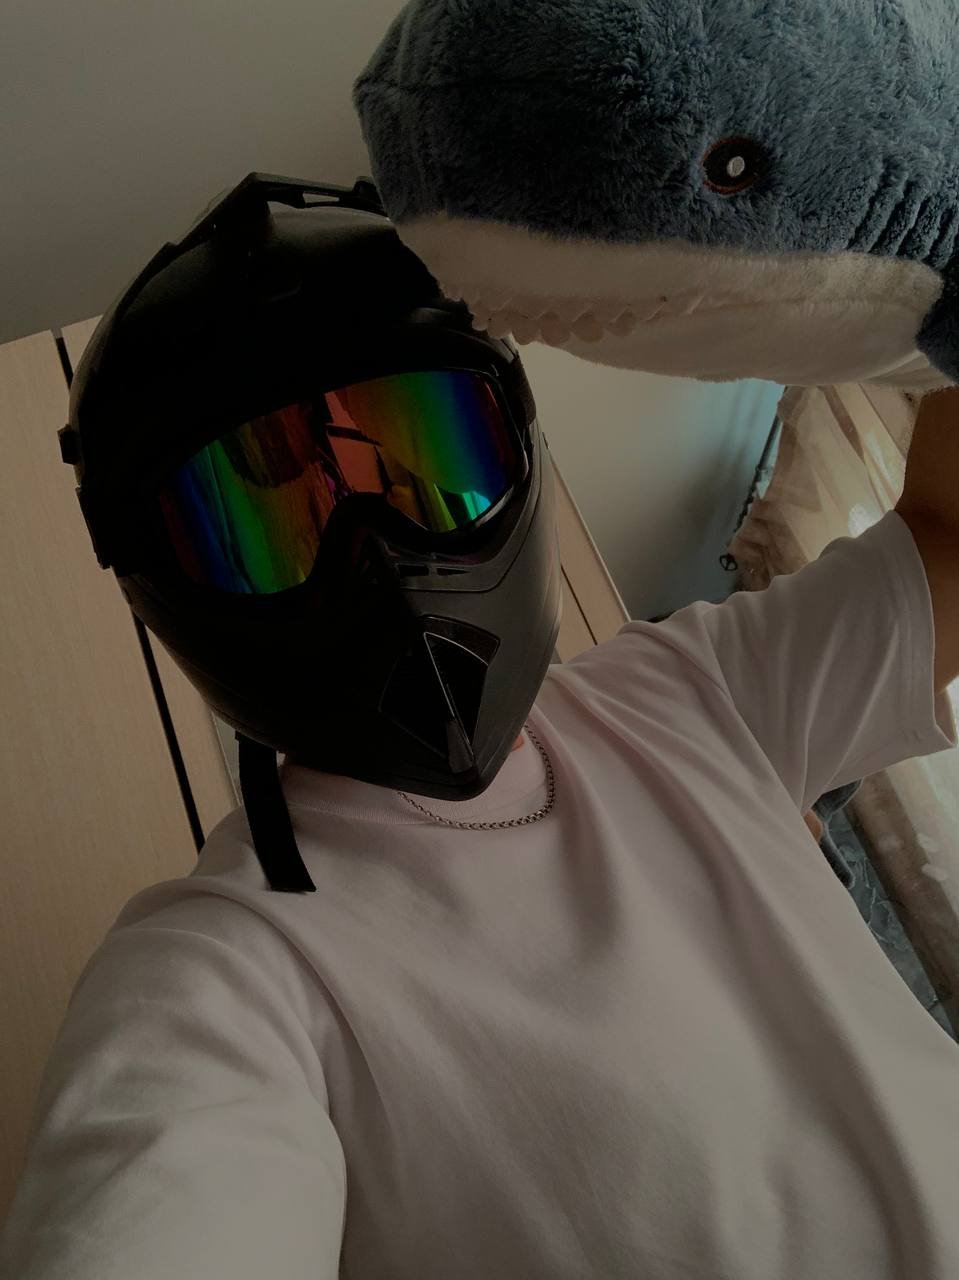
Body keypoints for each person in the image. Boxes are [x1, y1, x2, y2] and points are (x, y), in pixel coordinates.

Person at [2, 174, 959, 1280]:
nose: (379, 560)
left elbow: (944, 536)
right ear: (168, 589)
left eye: (422, 468)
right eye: (270, 526)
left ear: (517, 445)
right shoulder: (224, 977)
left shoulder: (691, 689)